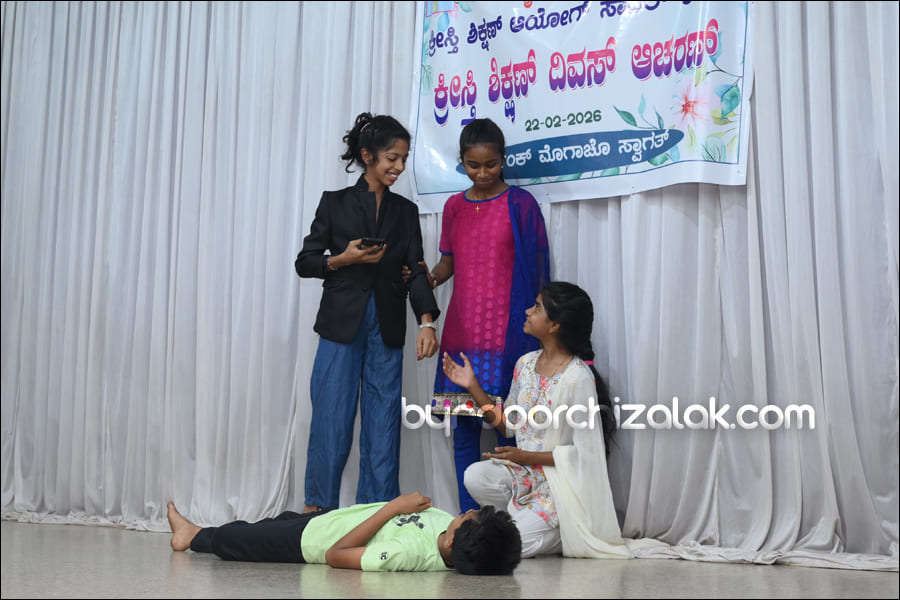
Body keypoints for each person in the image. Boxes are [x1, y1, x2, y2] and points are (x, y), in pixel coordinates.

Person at [295, 113, 440, 514]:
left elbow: (416, 270)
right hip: (341, 323)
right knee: (331, 417)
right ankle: (317, 512)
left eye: (404, 159)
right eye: (392, 158)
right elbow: (305, 261)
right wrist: (341, 259)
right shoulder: (335, 203)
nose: (399, 167)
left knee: (383, 421)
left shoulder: (405, 212)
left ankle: (376, 513)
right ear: (367, 156)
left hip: (387, 325)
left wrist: (427, 322)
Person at [406, 118, 550, 514]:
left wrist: (541, 332)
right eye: (473, 165)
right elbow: (447, 264)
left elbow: (540, 270)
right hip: (464, 332)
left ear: (503, 160)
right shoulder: (454, 207)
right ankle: (469, 517)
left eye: (491, 164)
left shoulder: (521, 204)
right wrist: (428, 278)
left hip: (511, 337)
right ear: (462, 162)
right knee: (465, 430)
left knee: (513, 429)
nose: (482, 173)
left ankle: (520, 516)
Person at [441, 281, 632, 559]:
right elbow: (507, 424)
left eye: (537, 307)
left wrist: (527, 457)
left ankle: (562, 530)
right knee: (475, 475)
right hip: (524, 475)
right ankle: (531, 523)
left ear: (554, 325)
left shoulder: (577, 378)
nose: (528, 311)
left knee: (512, 546)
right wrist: (472, 385)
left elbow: (585, 455)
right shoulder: (526, 364)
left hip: (559, 486)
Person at [166, 492, 522, 574]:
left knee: (236, 539)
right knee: (269, 523)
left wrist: (394, 507)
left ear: (451, 541)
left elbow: (336, 556)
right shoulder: (445, 525)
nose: (464, 512)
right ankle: (198, 533)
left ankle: (192, 536)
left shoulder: (409, 554)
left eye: (465, 518)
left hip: (311, 542)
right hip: (329, 520)